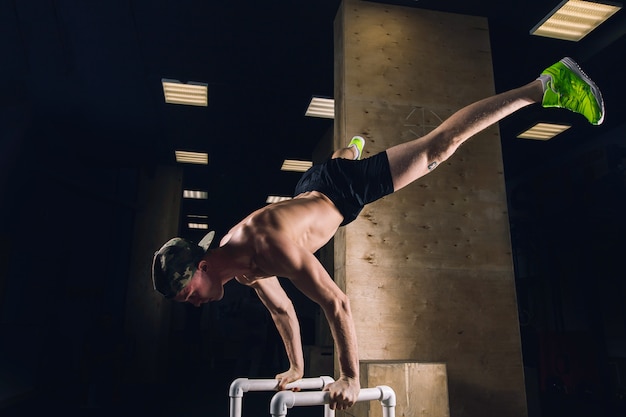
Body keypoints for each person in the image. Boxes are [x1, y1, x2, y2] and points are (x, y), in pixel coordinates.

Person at [151, 57, 604, 410]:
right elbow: (283, 310)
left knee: (437, 149)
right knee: (336, 162)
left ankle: (544, 86)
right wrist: (295, 366)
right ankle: (352, 149)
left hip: (339, 193)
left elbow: (336, 303)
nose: (193, 303)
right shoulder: (240, 270)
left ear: (203, 266)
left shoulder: (268, 245)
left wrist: (351, 375)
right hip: (309, 187)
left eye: (189, 293)